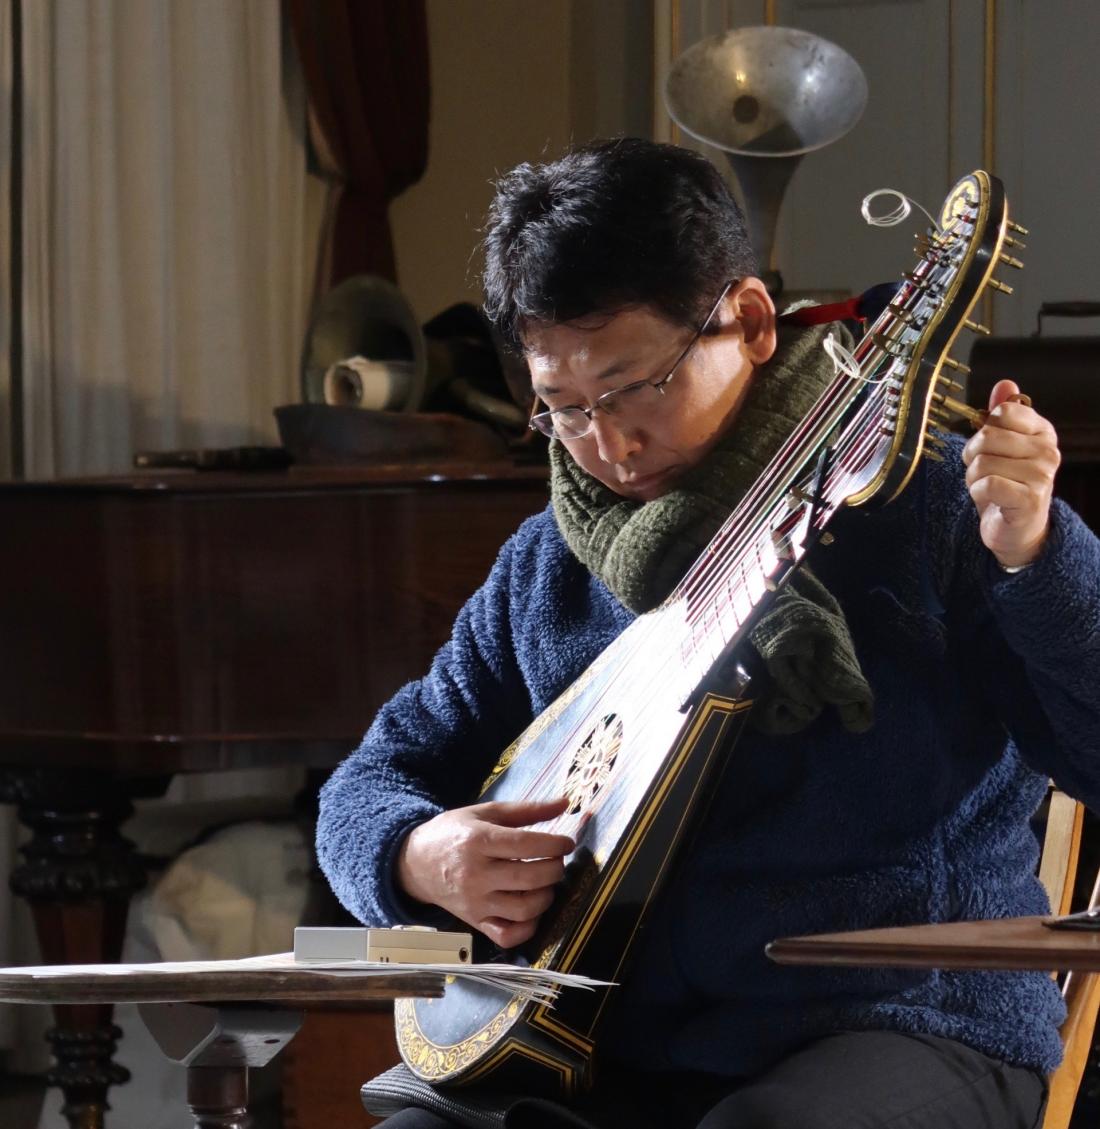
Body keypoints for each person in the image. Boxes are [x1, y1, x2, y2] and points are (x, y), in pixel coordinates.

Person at [316, 138, 1100, 1129]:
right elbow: (371, 778)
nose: (610, 443)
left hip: (902, 1022)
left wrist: (1032, 551)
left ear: (751, 320)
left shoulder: (925, 503)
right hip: (604, 1048)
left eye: (636, 384)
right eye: (563, 407)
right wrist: (420, 853)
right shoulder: (549, 562)